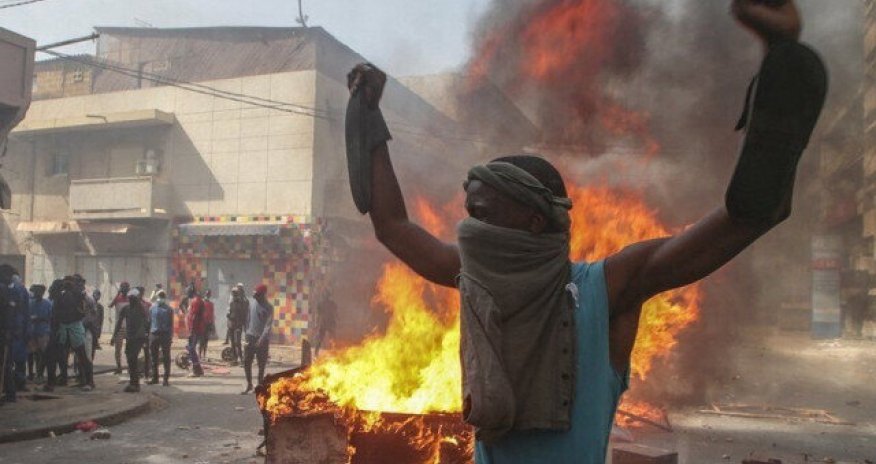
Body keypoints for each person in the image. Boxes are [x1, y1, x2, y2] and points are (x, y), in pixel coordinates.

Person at [346, 1, 827, 461]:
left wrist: (781, 63)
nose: (471, 227)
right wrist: (368, 116)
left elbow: (743, 218)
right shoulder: (475, 282)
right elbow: (393, 226)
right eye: (471, 213)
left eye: (485, 213)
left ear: (535, 222)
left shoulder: (607, 288)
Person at [51, 276, 94, 391]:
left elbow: (86, 306)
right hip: (64, 326)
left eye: (69, 282)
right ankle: (63, 378)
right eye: (66, 281)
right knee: (62, 355)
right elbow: (55, 312)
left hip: (75, 325)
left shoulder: (78, 294)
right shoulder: (60, 295)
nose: (67, 283)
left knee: (81, 354)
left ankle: (89, 381)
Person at [111, 289, 149, 393]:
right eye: (130, 298)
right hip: (130, 337)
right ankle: (134, 383)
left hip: (138, 337)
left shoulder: (142, 308)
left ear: (136, 298)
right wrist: (114, 336)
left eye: (133, 298)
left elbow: (146, 323)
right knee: (130, 359)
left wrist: (146, 337)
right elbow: (119, 322)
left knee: (132, 358)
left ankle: (135, 383)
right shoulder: (126, 309)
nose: (131, 300)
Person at [241, 284, 273, 394]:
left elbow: (268, 326)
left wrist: (261, 339)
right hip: (250, 337)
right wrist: (246, 334)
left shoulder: (269, 307)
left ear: (263, 295)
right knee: (246, 362)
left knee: (261, 364)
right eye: (254, 295)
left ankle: (259, 385)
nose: (255, 297)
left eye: (257, 295)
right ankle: (249, 384)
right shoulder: (252, 302)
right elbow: (247, 319)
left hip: (262, 340)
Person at [26, 284, 52, 384]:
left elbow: (50, 317)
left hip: (43, 331)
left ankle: (39, 374)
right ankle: (31, 373)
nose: (37, 294)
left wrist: (39, 319)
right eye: (36, 292)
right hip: (32, 332)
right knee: (30, 353)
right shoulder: (30, 303)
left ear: (42, 293)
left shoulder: (47, 304)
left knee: (42, 354)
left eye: (39, 292)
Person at [148, 290, 174, 386]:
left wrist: (170, 336)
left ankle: (165, 379)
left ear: (165, 298)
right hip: (154, 334)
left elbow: (171, 324)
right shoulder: (152, 308)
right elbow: (149, 322)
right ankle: (155, 378)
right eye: (160, 296)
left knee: (166, 358)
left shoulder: (169, 309)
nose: (161, 298)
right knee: (153, 357)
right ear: (157, 297)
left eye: (162, 296)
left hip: (165, 335)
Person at [109, 282, 130, 374]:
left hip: (129, 327)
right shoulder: (117, 299)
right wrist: (118, 294)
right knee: (118, 349)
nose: (124, 289)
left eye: (126, 288)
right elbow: (110, 305)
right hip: (119, 327)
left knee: (129, 350)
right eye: (123, 288)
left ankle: (129, 366)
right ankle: (119, 367)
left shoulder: (130, 299)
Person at [185, 288, 205, 377]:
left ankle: (197, 370)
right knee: (190, 348)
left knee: (191, 348)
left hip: (195, 329)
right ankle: (198, 369)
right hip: (196, 329)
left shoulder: (196, 301)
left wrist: (191, 330)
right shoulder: (198, 300)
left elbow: (195, 317)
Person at [226, 284, 248, 365]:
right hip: (231, 325)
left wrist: (243, 325)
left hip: (238, 325)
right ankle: (235, 359)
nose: (234, 295)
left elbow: (244, 315)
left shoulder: (242, 303)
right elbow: (229, 313)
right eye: (233, 293)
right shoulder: (231, 303)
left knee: (237, 342)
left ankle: (241, 359)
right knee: (232, 343)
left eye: (235, 293)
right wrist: (229, 315)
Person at [314, 290, 337, 357]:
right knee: (325, 338)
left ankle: (317, 352)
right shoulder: (331, 304)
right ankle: (316, 352)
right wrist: (316, 323)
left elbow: (335, 313)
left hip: (327, 323)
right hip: (326, 323)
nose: (326, 297)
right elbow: (318, 315)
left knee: (331, 338)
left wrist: (316, 323)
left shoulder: (331, 304)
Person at [198, 289, 215, 360]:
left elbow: (212, 315)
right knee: (201, 340)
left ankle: (204, 355)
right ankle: (199, 355)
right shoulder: (201, 303)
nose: (207, 295)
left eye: (209, 294)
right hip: (202, 324)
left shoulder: (211, 304)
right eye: (207, 294)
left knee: (206, 340)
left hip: (208, 324)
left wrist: (212, 324)